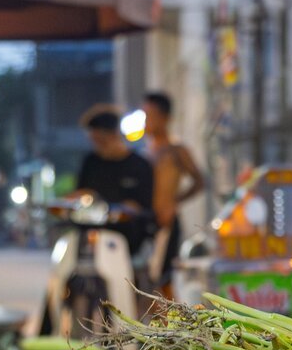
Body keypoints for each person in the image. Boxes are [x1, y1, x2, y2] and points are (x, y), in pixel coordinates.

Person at [142, 91, 202, 296]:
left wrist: (174, 201)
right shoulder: (146, 152)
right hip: (147, 222)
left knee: (165, 280)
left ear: (165, 118)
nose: (146, 121)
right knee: (146, 279)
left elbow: (199, 181)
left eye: (150, 116)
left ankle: (170, 324)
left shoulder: (176, 150)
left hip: (168, 223)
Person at [75, 104, 156, 250]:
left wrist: (118, 209)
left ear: (113, 135)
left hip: (129, 241)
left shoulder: (139, 165)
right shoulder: (91, 162)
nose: (97, 146)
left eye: (100, 141)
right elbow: (80, 193)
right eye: (93, 141)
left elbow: (142, 206)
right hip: (92, 237)